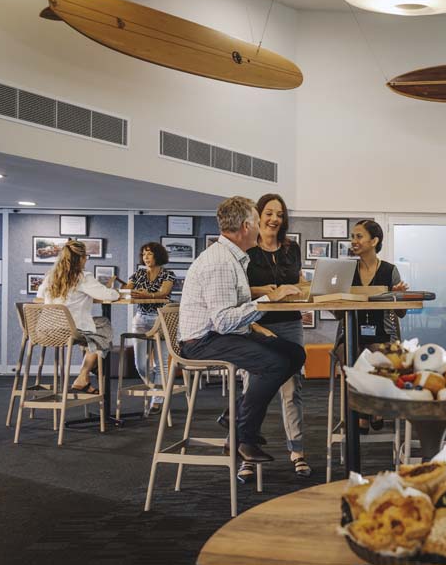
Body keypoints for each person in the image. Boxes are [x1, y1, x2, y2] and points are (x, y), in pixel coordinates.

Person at [178, 196, 306, 464]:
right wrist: (269, 300)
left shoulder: (233, 257)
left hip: (218, 334)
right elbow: (224, 321)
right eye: (259, 221)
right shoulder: (221, 262)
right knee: (273, 363)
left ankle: (235, 417)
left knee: (294, 354)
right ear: (247, 226)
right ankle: (243, 435)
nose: (264, 227)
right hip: (202, 341)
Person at [245, 193, 311, 479]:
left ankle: (296, 450)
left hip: (290, 323)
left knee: (291, 390)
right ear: (258, 215)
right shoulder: (246, 250)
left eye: (280, 215)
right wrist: (267, 291)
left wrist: (304, 287)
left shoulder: (291, 249)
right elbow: (238, 291)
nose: (274, 219)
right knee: (253, 391)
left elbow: (297, 281)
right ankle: (245, 451)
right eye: (269, 213)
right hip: (256, 324)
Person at [338, 219, 408, 432]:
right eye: (352, 237)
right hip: (350, 335)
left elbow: (401, 313)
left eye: (359, 236)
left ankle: (365, 411)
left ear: (374, 240)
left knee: (375, 356)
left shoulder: (390, 271)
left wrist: (399, 297)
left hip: (382, 335)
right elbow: (337, 313)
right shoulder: (346, 270)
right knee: (352, 356)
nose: (354, 241)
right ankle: (368, 411)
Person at [37, 240, 119, 393]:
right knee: (104, 325)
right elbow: (110, 295)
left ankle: (87, 373)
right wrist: (117, 291)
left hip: (46, 330)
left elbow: (39, 295)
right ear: (82, 258)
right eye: (86, 256)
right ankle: (84, 373)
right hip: (70, 330)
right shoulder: (82, 277)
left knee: (94, 329)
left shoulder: (51, 277)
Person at [120, 242, 175, 414]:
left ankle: (157, 398)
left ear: (157, 255)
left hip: (161, 318)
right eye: (144, 254)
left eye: (149, 254)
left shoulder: (168, 274)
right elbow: (126, 290)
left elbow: (164, 293)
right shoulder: (138, 274)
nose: (146, 257)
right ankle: (156, 388)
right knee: (140, 365)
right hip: (141, 319)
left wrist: (146, 295)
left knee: (161, 363)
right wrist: (123, 287)